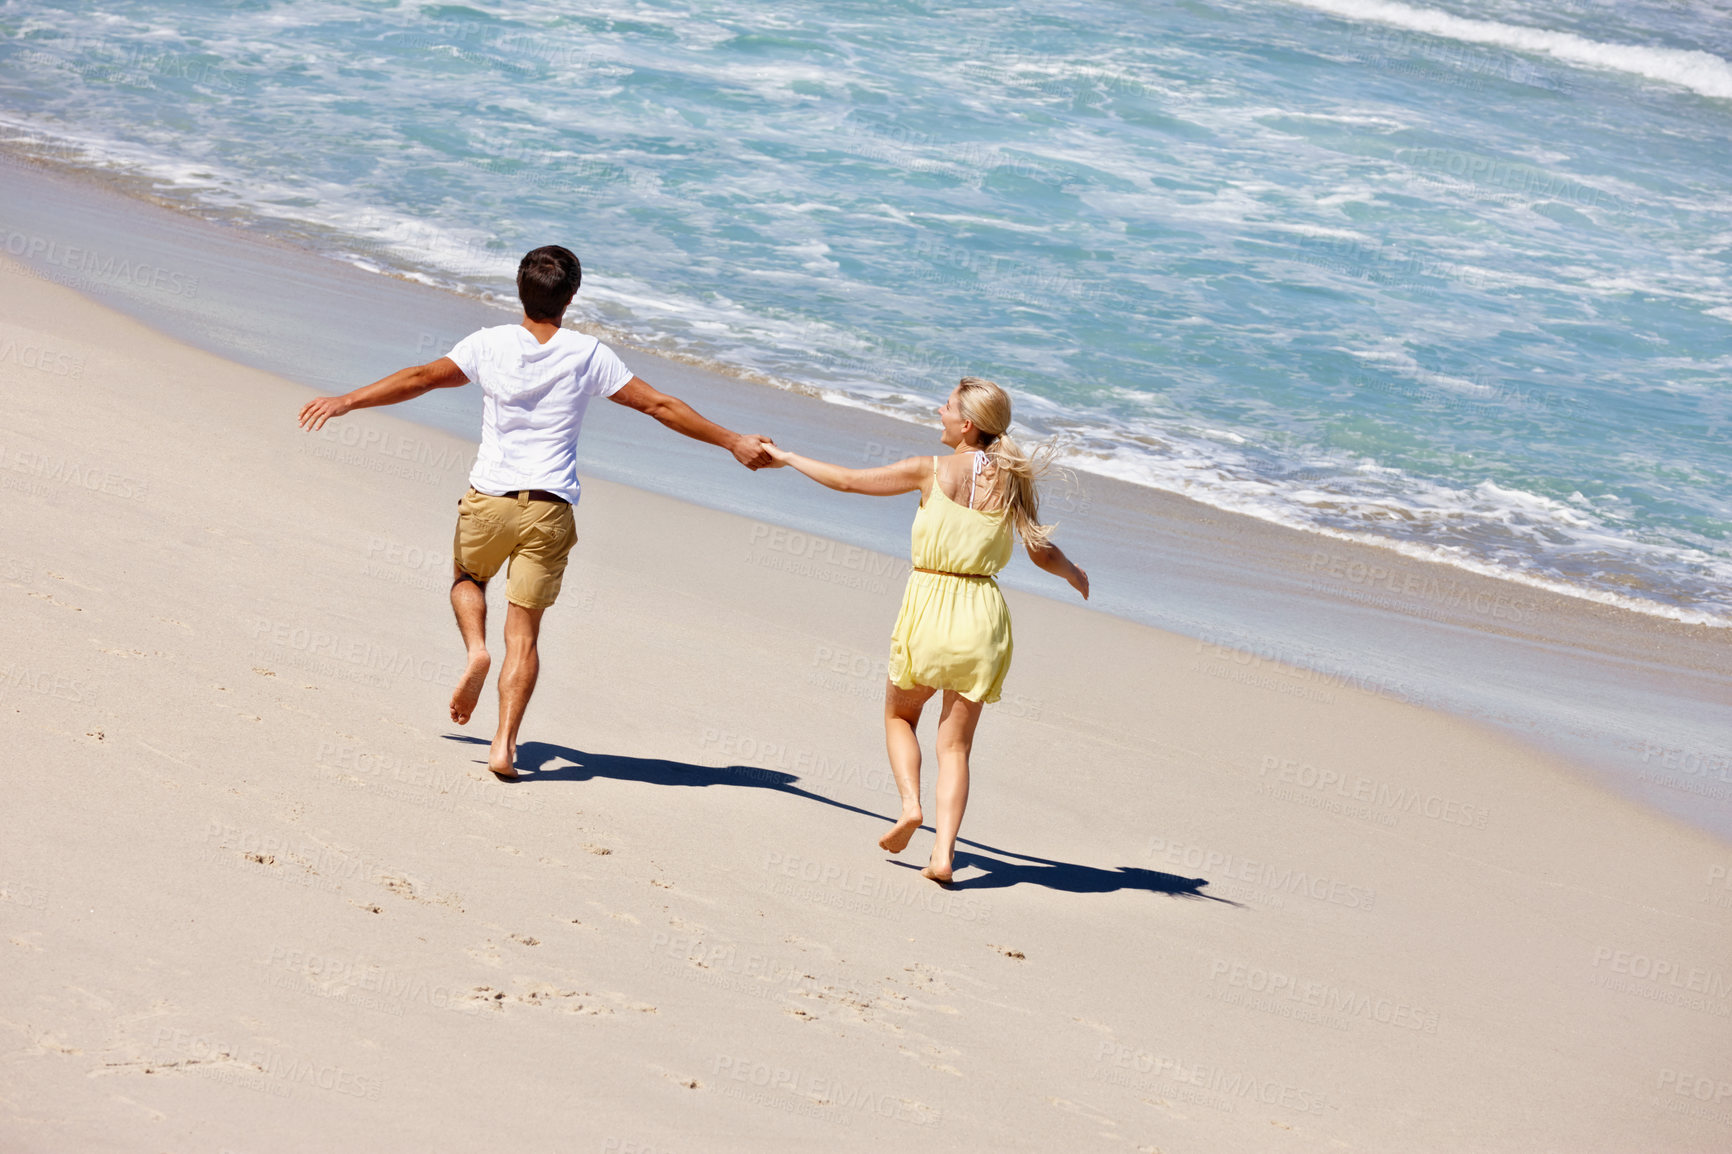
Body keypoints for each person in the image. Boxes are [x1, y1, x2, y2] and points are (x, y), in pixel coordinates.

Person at [297, 245, 775, 778]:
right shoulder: (588, 354)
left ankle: (475, 648)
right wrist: (732, 440)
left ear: (520, 291)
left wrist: (346, 401)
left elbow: (421, 376)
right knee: (523, 633)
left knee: (467, 579)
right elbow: (659, 406)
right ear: (571, 297)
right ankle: (504, 744)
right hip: (549, 509)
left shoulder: (488, 344)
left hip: (489, 501)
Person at [763, 377, 1089, 883]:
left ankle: (910, 806)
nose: (938, 412)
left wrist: (786, 457)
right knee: (955, 748)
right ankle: (943, 856)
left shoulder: (928, 470)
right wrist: (1074, 574)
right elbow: (1040, 551)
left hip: (930, 608)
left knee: (900, 717)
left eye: (947, 406)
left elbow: (849, 481)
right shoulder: (1014, 484)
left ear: (968, 425)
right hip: (983, 615)